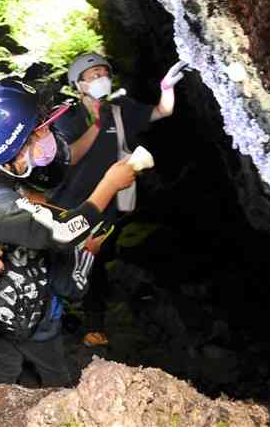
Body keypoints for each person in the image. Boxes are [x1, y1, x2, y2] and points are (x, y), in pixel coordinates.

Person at [0, 78, 137, 388]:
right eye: (43, 128)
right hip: (7, 301)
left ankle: (1, 399)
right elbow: (64, 232)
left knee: (9, 361)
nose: (50, 133)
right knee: (53, 370)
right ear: (17, 143)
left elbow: (29, 199)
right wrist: (110, 185)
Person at [49, 52, 186, 347]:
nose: (101, 79)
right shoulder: (66, 118)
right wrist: (96, 124)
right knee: (58, 257)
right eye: (93, 75)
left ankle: (94, 325)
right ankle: (51, 316)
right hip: (70, 204)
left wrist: (167, 88)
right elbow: (67, 158)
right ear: (78, 85)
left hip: (108, 207)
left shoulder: (121, 109)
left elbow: (162, 112)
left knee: (94, 263)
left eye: (104, 73)